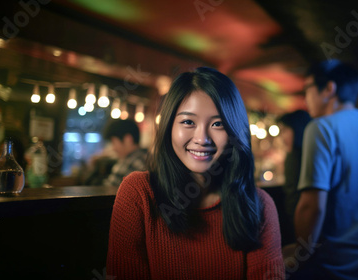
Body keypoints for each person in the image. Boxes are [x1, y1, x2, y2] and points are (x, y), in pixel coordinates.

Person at [107, 67, 284, 279]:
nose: (202, 138)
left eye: (218, 124)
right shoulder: (138, 193)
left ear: (234, 132)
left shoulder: (260, 205)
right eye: (188, 122)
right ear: (169, 126)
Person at [283, 60, 358, 280]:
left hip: (338, 268)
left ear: (329, 89)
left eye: (307, 88)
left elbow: (312, 207)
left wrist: (301, 253)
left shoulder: (321, 128)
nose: (305, 97)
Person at [277, 110, 311, 245]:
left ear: (297, 130)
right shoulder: (308, 154)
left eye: (285, 130)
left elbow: (294, 194)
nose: (282, 136)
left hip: (298, 222)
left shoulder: (294, 156)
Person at [101, 119, 147, 187]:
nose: (113, 148)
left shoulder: (130, 164)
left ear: (128, 139)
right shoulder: (148, 158)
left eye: (114, 142)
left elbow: (106, 191)